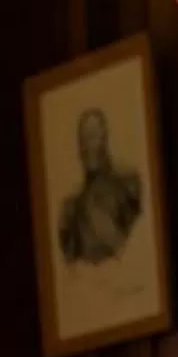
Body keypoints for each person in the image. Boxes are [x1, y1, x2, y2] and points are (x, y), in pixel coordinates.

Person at [57, 107, 144, 266]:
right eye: (82, 140)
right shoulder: (71, 208)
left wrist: (113, 237)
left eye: (93, 136)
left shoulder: (128, 184)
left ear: (105, 138)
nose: (87, 146)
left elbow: (142, 248)